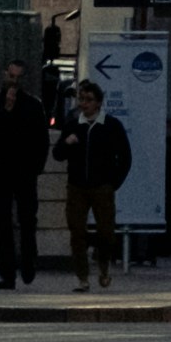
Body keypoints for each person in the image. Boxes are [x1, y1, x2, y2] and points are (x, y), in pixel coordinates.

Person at [0, 61, 51, 294]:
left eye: (18, 77)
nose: (14, 81)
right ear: (4, 75)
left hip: (24, 171)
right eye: (11, 76)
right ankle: (7, 273)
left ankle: (28, 261)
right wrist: (6, 109)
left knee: (27, 220)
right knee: (2, 223)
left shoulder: (32, 105)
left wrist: (37, 167)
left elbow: (42, 139)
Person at [62, 89, 132, 295]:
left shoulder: (110, 126)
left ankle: (104, 265)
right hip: (77, 186)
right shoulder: (74, 125)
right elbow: (58, 153)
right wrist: (67, 143)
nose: (84, 104)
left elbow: (125, 157)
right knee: (77, 231)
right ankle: (82, 277)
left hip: (102, 186)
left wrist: (112, 183)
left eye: (89, 100)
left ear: (99, 103)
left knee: (106, 231)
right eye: (81, 99)